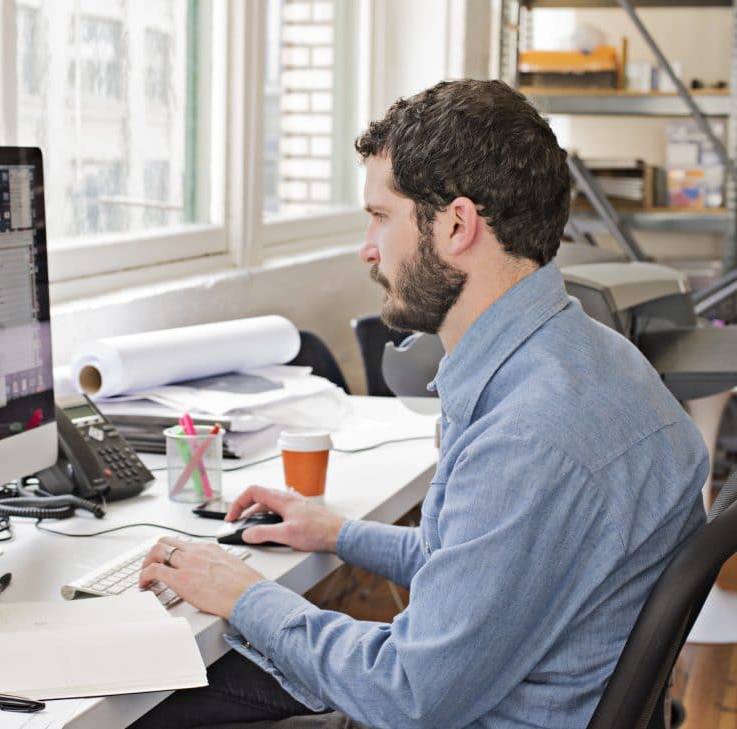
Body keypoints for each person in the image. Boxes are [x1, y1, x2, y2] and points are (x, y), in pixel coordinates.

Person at [130, 79, 708, 729]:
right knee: (194, 685)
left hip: (451, 709)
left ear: (456, 225)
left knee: (150, 705)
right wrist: (336, 534)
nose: (367, 247)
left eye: (381, 216)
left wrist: (243, 594)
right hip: (498, 693)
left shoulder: (529, 437)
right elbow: (475, 566)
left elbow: (407, 693)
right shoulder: (594, 358)